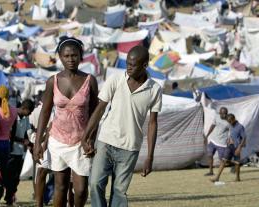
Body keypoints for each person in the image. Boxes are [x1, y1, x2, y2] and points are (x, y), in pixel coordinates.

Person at [82, 45, 162, 207]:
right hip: (106, 141)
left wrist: (150, 157)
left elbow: (153, 123)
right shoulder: (116, 79)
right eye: (127, 64)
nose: (129, 68)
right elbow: (99, 109)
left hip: (130, 148)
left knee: (119, 192)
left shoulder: (154, 89)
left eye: (133, 65)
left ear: (145, 65)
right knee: (95, 183)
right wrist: (86, 137)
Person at [33, 36, 98, 207]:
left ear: (80, 56)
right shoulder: (52, 81)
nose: (71, 59)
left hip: (80, 141)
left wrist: (90, 139)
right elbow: (45, 113)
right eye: (67, 56)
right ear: (60, 57)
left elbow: (94, 114)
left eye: (74, 55)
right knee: (60, 187)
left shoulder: (89, 80)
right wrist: (38, 143)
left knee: (82, 189)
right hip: (57, 141)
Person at [4, 99, 35, 205]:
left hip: (20, 153)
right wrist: (22, 141)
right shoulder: (12, 115)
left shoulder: (25, 118)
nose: (30, 114)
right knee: (6, 176)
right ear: (24, 108)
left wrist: (30, 145)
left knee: (15, 178)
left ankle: (9, 198)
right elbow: (8, 134)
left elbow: (26, 134)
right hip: (10, 151)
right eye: (30, 111)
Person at [0, 85, 18, 204]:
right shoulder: (14, 111)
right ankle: (9, 196)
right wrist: (12, 143)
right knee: (6, 173)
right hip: (6, 144)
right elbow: (13, 130)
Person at [210, 113, 246, 182]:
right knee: (223, 160)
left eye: (230, 121)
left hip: (237, 147)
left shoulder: (240, 127)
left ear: (233, 119)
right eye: (228, 121)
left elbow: (244, 138)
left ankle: (237, 178)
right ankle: (216, 178)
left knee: (237, 163)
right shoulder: (230, 125)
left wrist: (239, 148)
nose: (229, 122)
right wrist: (229, 139)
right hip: (230, 146)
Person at [204, 107, 230, 176]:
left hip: (222, 143)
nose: (223, 115)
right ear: (219, 113)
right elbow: (213, 125)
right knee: (209, 155)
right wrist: (207, 135)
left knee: (222, 159)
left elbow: (232, 131)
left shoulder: (229, 121)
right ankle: (211, 171)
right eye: (222, 114)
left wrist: (230, 140)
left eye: (225, 114)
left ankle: (234, 165)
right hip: (213, 140)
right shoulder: (217, 117)